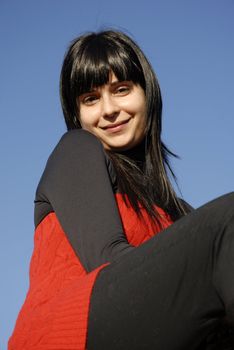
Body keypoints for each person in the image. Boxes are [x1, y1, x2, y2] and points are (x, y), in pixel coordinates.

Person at [8, 30, 234, 350]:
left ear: (147, 94)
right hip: (68, 333)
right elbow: (109, 258)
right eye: (91, 99)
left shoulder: (178, 212)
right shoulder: (77, 150)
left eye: (121, 89)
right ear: (77, 114)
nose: (109, 109)